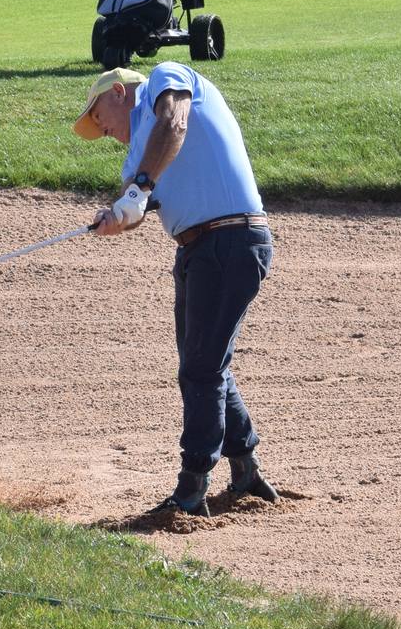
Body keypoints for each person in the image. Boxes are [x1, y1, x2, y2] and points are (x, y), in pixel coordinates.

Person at [73, 64, 277, 517]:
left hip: (232, 239)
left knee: (202, 368)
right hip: (196, 252)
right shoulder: (136, 158)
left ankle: (191, 490)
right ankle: (244, 468)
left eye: (97, 114)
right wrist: (117, 216)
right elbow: (135, 206)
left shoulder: (164, 81)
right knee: (204, 362)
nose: (101, 129)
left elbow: (175, 122)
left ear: (120, 92)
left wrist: (140, 188)